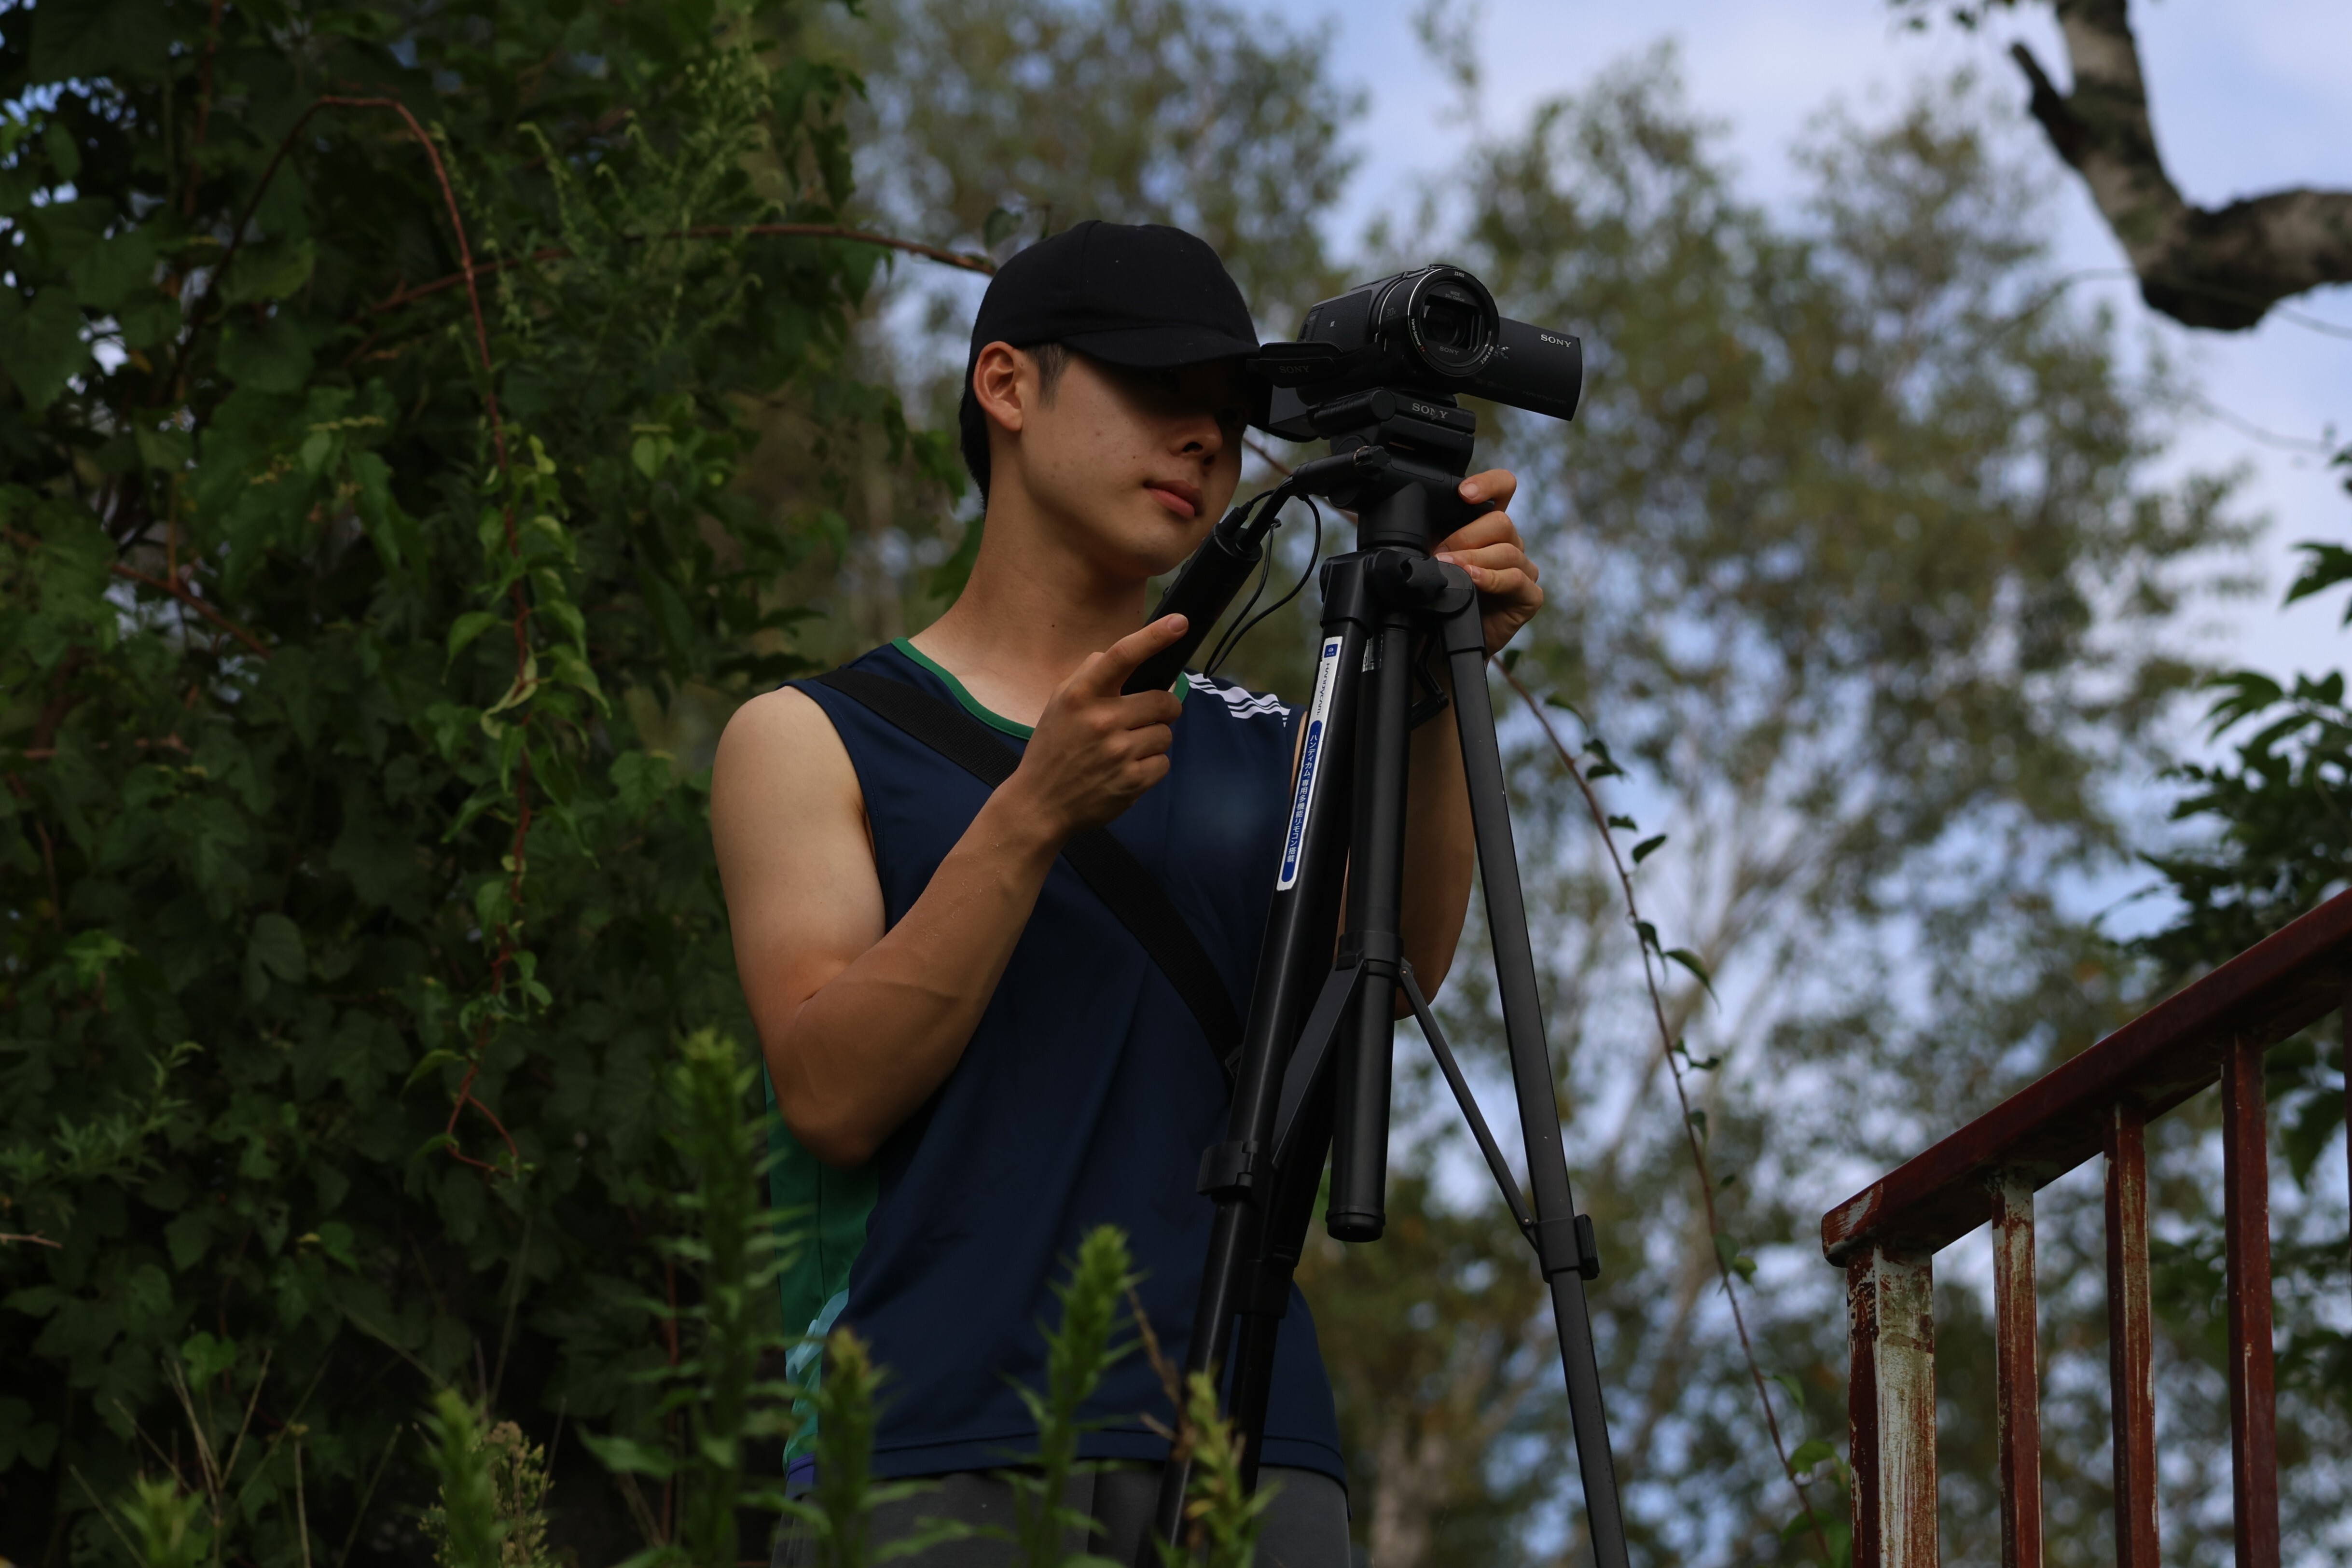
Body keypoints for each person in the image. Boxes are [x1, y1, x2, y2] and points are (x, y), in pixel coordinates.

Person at [711, 221, 1544, 1567]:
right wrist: (1032, 811)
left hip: (1249, 1444)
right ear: (1005, 385)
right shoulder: (813, 738)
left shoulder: (1271, 741)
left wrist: (1441, 682)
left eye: (1229, 410)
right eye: (1158, 388)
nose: (1204, 438)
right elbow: (829, 1092)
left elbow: (1392, 964)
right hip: (926, 1434)